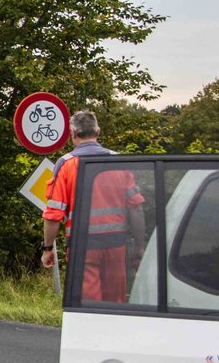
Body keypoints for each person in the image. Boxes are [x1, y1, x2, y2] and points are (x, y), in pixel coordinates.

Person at [42, 110, 147, 304]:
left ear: (73, 133)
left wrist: (48, 248)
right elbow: (136, 208)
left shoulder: (66, 164)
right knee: (115, 303)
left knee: (87, 303)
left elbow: (53, 214)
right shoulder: (118, 161)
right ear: (98, 131)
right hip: (116, 243)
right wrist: (140, 247)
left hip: (83, 245)